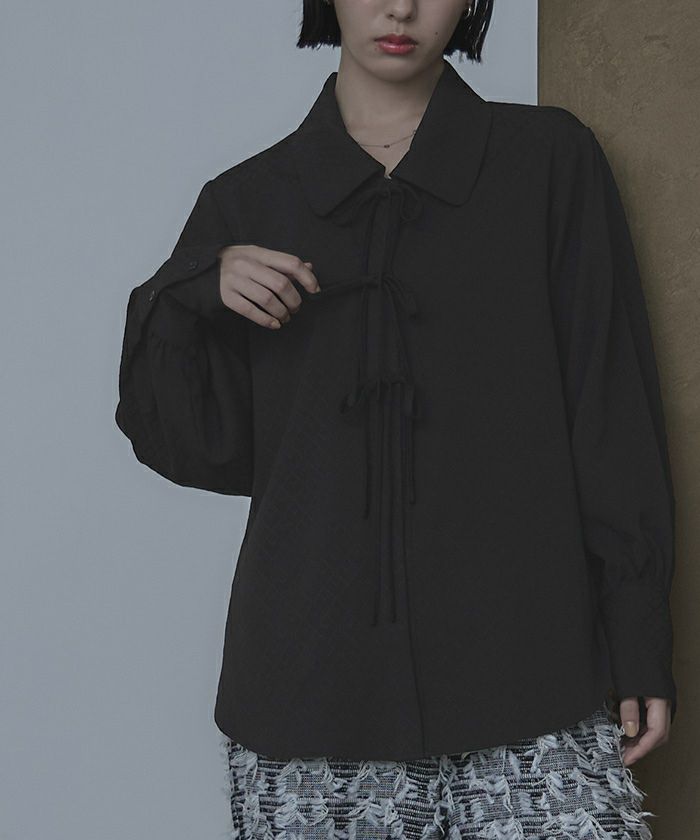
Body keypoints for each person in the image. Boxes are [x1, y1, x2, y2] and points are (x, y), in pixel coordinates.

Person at [115, 0, 677, 836]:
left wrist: (638, 638)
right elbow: (202, 450)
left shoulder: (549, 161)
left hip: (534, 674)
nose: (401, 6)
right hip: (309, 690)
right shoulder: (246, 201)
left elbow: (611, 410)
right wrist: (191, 292)